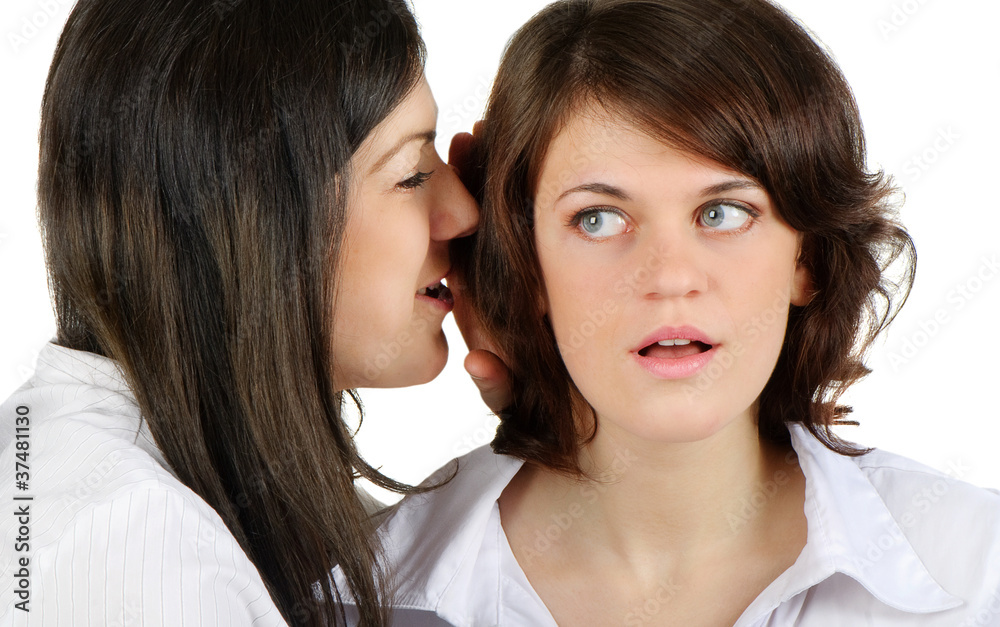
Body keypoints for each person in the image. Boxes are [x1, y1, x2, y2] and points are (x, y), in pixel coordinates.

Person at [350, 0, 1000, 625]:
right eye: (598, 219)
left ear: (806, 260)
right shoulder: (358, 594)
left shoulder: (977, 571)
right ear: (528, 264)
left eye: (722, 213)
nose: (669, 278)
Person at [0, 0, 508, 624]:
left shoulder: (209, 497)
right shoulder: (124, 546)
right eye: (410, 175)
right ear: (247, 216)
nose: (465, 213)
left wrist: (552, 441)